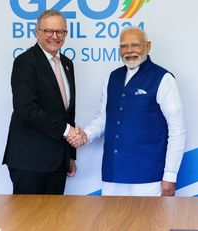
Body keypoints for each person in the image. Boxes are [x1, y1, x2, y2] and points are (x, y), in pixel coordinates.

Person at [67, 26, 186, 196]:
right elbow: (103, 119)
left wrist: (170, 176)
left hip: (149, 177)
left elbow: (178, 130)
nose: (129, 51)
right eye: (124, 46)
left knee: (148, 223)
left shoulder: (163, 78)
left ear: (148, 46)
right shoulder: (112, 77)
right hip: (112, 174)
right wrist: (85, 135)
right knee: (112, 223)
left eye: (135, 45)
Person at [3, 9, 78, 195]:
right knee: (27, 222)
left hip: (58, 161)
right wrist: (68, 131)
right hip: (30, 161)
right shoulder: (25, 62)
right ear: (37, 33)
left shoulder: (68, 64)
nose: (55, 36)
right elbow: (26, 110)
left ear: (66, 34)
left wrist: (69, 155)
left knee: (54, 222)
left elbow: (68, 112)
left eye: (60, 31)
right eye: (48, 31)